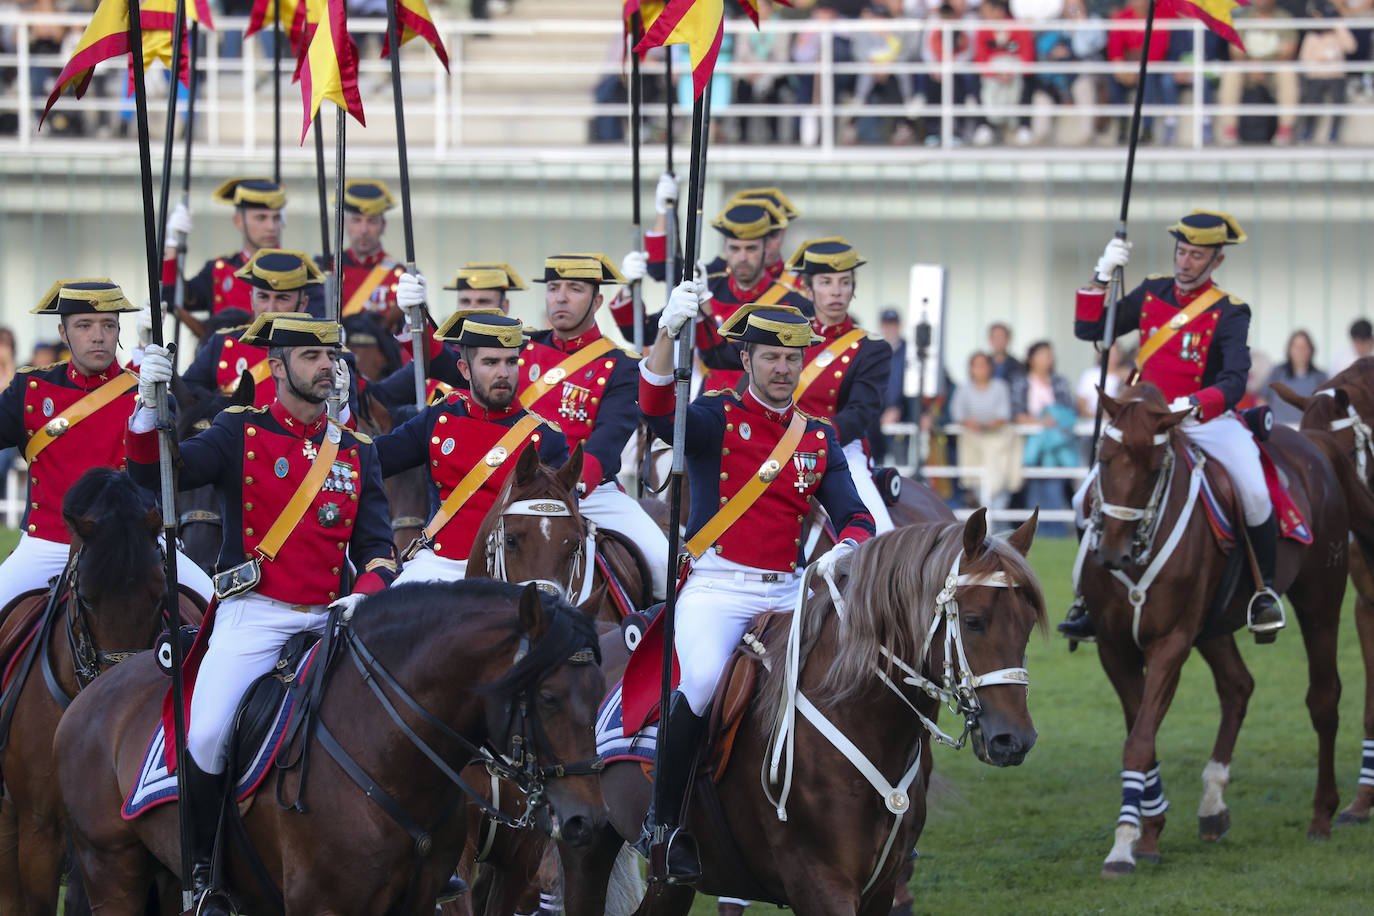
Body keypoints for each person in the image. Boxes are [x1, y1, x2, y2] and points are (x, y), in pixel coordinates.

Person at [131, 313, 396, 908]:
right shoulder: (236, 431)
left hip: (335, 616)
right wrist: (149, 412)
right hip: (256, 613)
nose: (328, 366)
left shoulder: (356, 451)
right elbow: (160, 476)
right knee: (207, 734)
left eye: (332, 357)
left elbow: (377, 547)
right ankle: (202, 874)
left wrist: (367, 593)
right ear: (276, 367)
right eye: (311, 357)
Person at [639, 286, 876, 882]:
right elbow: (652, 409)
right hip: (719, 587)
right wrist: (668, 335)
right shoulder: (714, 417)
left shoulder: (816, 438)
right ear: (745, 361)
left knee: (852, 682)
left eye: (793, 358)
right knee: (700, 685)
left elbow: (856, 516)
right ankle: (665, 825)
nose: (783, 368)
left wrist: (843, 552)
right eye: (770, 357)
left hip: (790, 590)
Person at [1061, 209, 1286, 640]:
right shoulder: (1150, 293)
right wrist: (1101, 275)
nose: (1185, 263)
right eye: (1182, 252)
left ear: (1216, 261)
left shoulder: (1230, 311)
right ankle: (1090, 597)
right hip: (1147, 423)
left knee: (1256, 494)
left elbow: (1236, 381)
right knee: (1079, 502)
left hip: (1204, 420)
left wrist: (1194, 404)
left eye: (1197, 256)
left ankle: (1264, 593)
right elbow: (1089, 327)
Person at [0, 280, 213, 613]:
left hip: (138, 546)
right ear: (63, 332)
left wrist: (150, 404)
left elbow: (155, 467)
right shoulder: (29, 388)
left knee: (213, 612)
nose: (98, 336)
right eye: (84, 326)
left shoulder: (150, 394)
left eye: (108, 325)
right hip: (49, 543)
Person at [374, 312, 567, 584]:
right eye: (490, 362)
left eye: (511, 362)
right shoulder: (438, 419)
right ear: (464, 369)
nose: (503, 372)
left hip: (511, 573)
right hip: (438, 565)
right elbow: (371, 460)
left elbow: (558, 524)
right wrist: (339, 413)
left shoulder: (545, 438)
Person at [520, 253, 670, 600]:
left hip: (587, 491)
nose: (560, 296)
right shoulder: (520, 346)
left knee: (663, 564)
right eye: (554, 288)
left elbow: (606, 440)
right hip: (515, 487)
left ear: (597, 301)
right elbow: (456, 366)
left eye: (574, 289)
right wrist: (417, 324)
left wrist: (568, 487)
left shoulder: (621, 366)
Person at [787, 238, 895, 532]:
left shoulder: (872, 348)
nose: (836, 291)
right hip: (777, 444)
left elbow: (861, 411)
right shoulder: (786, 335)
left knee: (880, 535)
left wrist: (814, 438)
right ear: (808, 289)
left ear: (853, 289)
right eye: (826, 282)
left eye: (844, 282)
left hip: (840, 450)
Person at [178, 250, 355, 413]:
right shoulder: (221, 343)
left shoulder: (329, 354)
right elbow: (184, 398)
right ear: (252, 300)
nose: (271, 308)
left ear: (303, 304)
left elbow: (349, 427)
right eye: (263, 297)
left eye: (282, 298)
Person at [162, 178, 321, 317]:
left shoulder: (300, 272)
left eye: (276, 218)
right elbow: (172, 300)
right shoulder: (219, 270)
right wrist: (173, 246)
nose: (271, 227)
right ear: (238, 222)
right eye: (261, 218)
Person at [323, 179, 407, 331]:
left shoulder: (402, 276)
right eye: (356, 220)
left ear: (383, 226)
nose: (363, 230)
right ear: (344, 224)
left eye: (372, 221)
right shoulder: (325, 269)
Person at [1012, 341, 1076, 537]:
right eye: (1042, 355)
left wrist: (1052, 419)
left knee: (1054, 487)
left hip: (1056, 445)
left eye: (1049, 355)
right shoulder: (1022, 383)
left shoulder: (1060, 382)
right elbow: (1017, 412)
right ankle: (1036, 532)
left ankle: (1056, 531)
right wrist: (1040, 421)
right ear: (1031, 359)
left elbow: (1068, 411)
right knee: (1035, 488)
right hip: (1031, 443)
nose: (1047, 359)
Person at [1216, 0, 1300, 146]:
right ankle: (1230, 130)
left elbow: (1289, 51)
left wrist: (1266, 65)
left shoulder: (1284, 18)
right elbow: (1235, 51)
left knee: (1288, 72)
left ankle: (1285, 130)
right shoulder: (1243, 18)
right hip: (1247, 69)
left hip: (1274, 70)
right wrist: (1251, 64)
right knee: (1231, 71)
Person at [950, 350, 1019, 511]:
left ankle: (996, 520)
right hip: (972, 442)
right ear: (971, 368)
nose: (980, 369)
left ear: (990, 367)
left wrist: (986, 426)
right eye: (977, 365)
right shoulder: (964, 388)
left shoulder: (1000, 387)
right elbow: (957, 413)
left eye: (984, 365)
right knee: (976, 481)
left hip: (998, 442)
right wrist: (971, 424)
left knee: (1000, 478)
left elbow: (1004, 415)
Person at [1262, 330, 1328, 426]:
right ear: (1289, 349)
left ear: (1311, 350)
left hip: (1308, 430)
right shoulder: (1278, 372)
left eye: (1304, 347)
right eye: (1296, 347)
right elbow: (1263, 400)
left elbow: (1326, 407)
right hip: (1280, 429)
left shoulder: (1320, 377)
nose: (1300, 351)